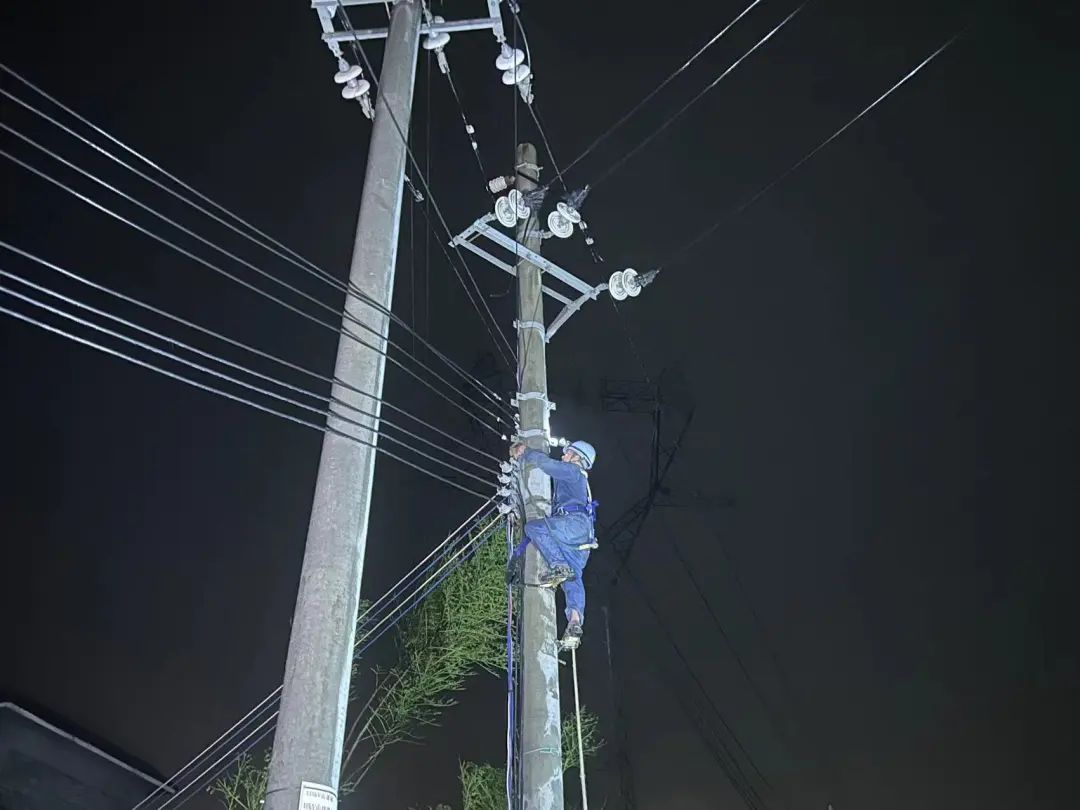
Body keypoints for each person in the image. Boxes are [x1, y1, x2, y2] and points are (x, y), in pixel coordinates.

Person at [509, 439, 598, 649]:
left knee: (534, 528)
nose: (564, 456)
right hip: (582, 539)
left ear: (577, 458)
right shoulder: (579, 481)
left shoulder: (572, 471)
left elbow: (548, 464)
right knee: (572, 578)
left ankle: (558, 565)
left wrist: (526, 452)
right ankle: (575, 621)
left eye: (568, 454)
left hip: (573, 524)